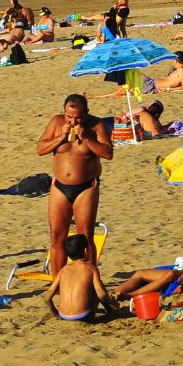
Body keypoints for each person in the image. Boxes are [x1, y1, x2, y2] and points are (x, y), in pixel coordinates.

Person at [36, 94, 114, 276]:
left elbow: (108, 153)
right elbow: (40, 149)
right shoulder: (56, 122)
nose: (72, 121)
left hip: (86, 187)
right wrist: (61, 137)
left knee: (85, 236)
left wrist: (87, 138)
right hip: (59, 186)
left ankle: (88, 279)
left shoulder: (96, 125)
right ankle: (58, 281)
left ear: (86, 113)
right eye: (69, 116)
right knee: (57, 237)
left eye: (77, 117)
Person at [44, 232, 114, 321]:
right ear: (86, 251)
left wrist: (56, 315)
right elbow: (101, 295)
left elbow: (47, 297)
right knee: (97, 285)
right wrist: (112, 302)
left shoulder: (63, 270)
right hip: (84, 316)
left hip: (63, 316)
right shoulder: (91, 269)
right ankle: (111, 312)